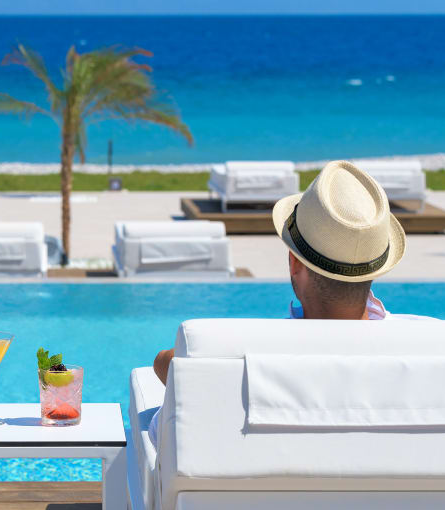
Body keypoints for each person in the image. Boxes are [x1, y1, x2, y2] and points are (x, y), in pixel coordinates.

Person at [153, 159, 421, 385]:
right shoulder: (426, 347)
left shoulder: (244, 357)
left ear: (295, 263)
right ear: (376, 266)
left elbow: (166, 364)